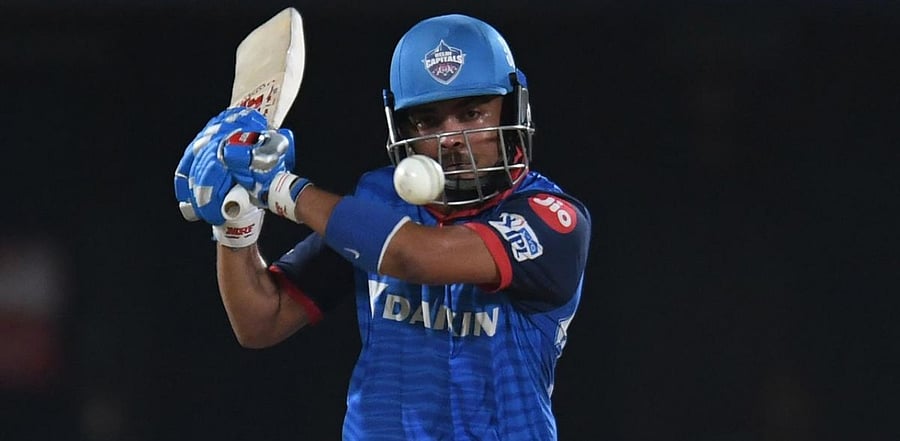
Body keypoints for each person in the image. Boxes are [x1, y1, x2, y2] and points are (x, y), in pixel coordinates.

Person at [174, 13, 591, 441]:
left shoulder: (552, 220)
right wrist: (236, 222)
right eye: (428, 120)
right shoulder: (379, 203)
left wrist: (281, 188)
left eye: (471, 113)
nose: (450, 138)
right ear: (402, 127)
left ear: (512, 109)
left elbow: (415, 256)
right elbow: (262, 320)